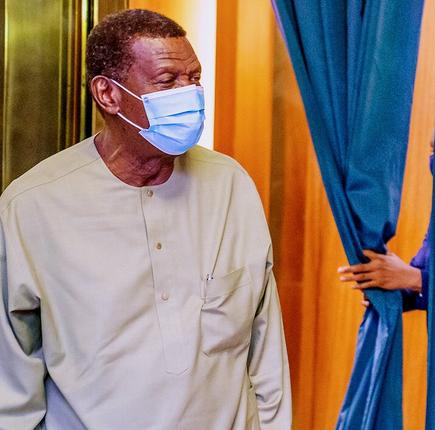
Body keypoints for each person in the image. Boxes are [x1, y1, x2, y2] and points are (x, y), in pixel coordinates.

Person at [0, 9, 291, 429]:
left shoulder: (231, 186)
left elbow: (265, 348)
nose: (189, 93)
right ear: (108, 94)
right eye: (168, 81)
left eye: (194, 78)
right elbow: (12, 377)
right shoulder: (32, 207)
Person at [337, 145, 434, 312]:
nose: (433, 159)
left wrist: (414, 279)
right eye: (432, 150)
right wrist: (380, 282)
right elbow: (417, 276)